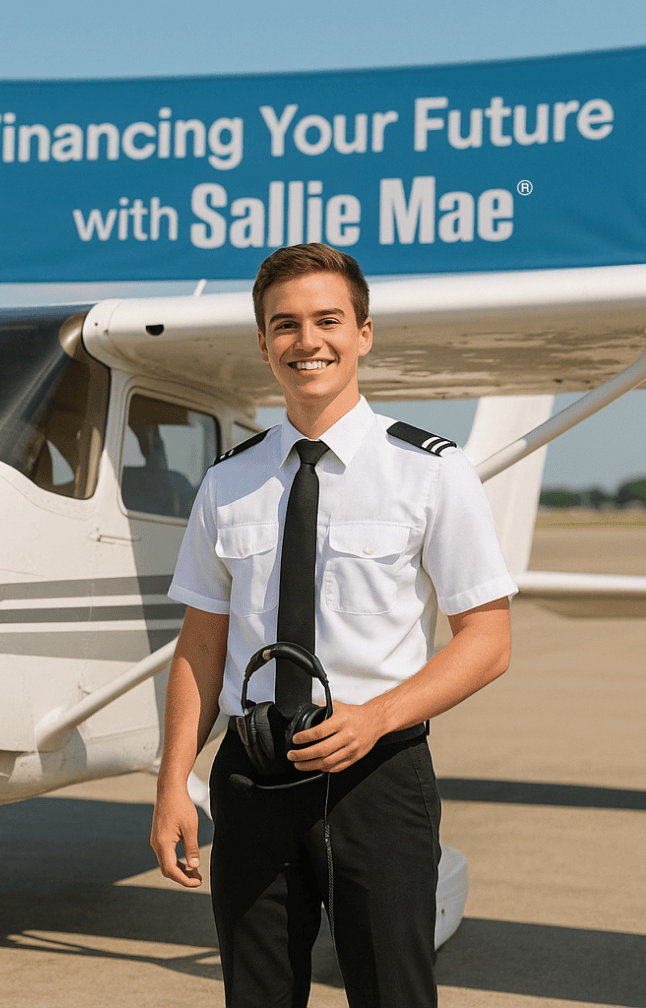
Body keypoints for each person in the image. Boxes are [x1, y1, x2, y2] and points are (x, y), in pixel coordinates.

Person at [149, 243, 515, 1008]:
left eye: (328, 320)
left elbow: (487, 640)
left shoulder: (431, 472)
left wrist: (374, 719)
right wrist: (173, 782)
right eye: (285, 324)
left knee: (392, 994)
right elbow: (201, 644)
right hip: (252, 779)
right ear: (263, 343)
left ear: (364, 333)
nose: (306, 341)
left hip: (376, 779)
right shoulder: (228, 480)